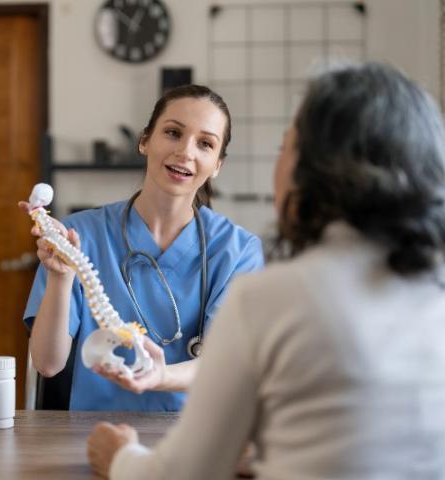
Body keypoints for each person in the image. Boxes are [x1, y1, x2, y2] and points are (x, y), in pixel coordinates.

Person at [87, 62, 445, 479]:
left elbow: (183, 473)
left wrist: (119, 456)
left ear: (314, 171)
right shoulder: (432, 295)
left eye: (286, 146)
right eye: (173, 132)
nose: (186, 151)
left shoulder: (269, 298)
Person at [22, 85, 264, 411]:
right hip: (89, 438)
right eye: (173, 133)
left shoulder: (237, 251)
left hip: (192, 440)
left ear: (217, 164)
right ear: (145, 140)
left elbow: (228, 363)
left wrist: (158, 376)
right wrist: (61, 278)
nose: (186, 152)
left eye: (205, 144)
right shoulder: (78, 237)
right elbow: (47, 364)